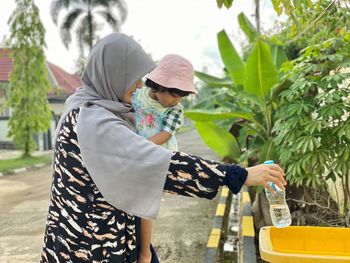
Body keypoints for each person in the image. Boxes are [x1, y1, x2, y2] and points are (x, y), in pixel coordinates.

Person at [40, 33, 286, 263]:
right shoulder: (95, 123)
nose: (138, 85)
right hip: (89, 246)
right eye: (132, 77)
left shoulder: (85, 109)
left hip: (92, 237)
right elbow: (161, 165)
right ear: (113, 73)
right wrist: (238, 175)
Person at [132, 54, 196, 261]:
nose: (178, 100)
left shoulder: (175, 110)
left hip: (155, 156)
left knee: (146, 206)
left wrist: (140, 147)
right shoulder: (137, 95)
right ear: (159, 86)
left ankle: (144, 253)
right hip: (133, 153)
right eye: (175, 94)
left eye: (181, 96)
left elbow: (166, 135)